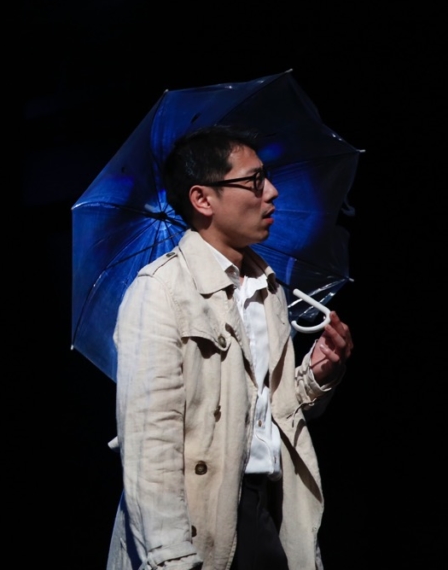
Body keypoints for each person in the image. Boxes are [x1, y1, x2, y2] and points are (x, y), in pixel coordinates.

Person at [105, 125, 354, 570]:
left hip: (266, 508)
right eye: (254, 181)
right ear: (203, 199)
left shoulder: (268, 288)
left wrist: (316, 375)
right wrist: (171, 559)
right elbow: (150, 445)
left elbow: (266, 413)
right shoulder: (160, 291)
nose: (271, 192)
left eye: (266, 177)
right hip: (199, 518)